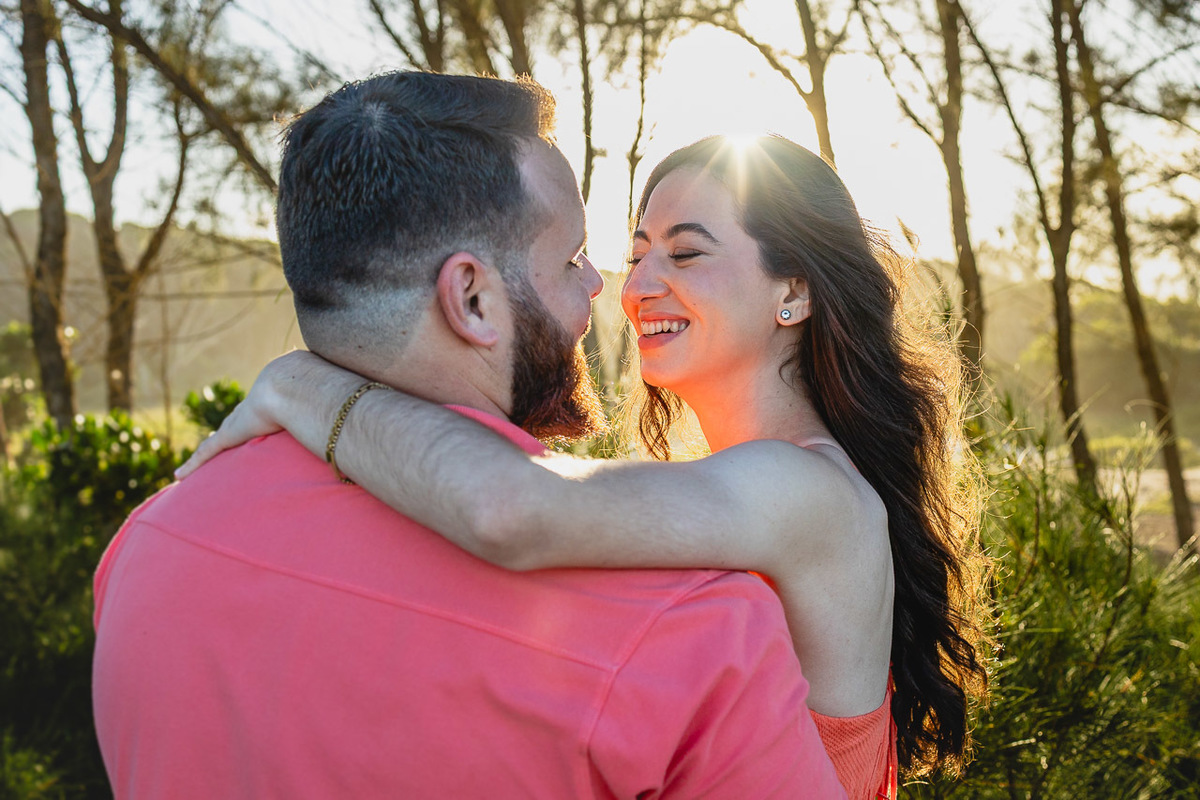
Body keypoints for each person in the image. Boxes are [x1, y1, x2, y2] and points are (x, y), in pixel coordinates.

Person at [92, 72, 848, 798]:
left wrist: (300, 379)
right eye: (573, 259)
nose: (605, 288)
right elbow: (514, 508)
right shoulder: (688, 633)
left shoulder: (145, 547)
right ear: (473, 299)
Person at [183, 133, 992, 799]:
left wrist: (308, 386)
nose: (637, 286)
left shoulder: (808, 491)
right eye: (638, 253)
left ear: (796, 293)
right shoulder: (731, 481)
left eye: (686, 253)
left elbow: (513, 510)